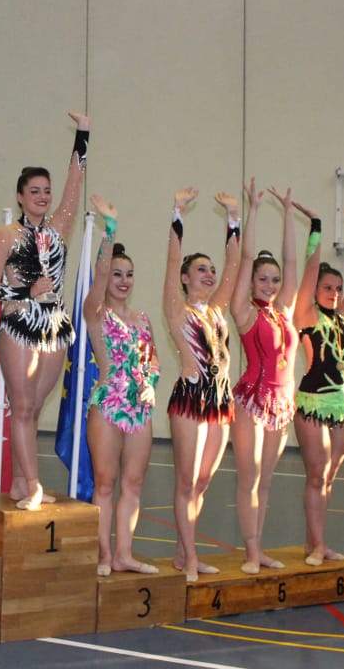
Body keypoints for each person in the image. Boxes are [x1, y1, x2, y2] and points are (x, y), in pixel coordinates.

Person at [0, 111, 90, 510]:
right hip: (19, 323)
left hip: (55, 327)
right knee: (23, 406)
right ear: (20, 196)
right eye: (34, 191)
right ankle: (33, 484)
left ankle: (18, 482)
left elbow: (75, 185)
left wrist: (83, 134)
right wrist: (26, 289)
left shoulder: (59, 228)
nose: (43, 197)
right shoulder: (6, 235)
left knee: (33, 407)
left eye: (46, 191)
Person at [228, 181, 317, 574]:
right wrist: (253, 209)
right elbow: (246, 257)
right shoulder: (244, 311)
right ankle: (250, 552)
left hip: (281, 406)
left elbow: (292, 263)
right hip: (251, 401)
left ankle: (258, 548)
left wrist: (287, 213)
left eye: (274, 280)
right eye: (262, 279)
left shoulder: (283, 310)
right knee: (248, 480)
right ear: (251, 282)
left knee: (265, 483)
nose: (270, 285)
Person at [163, 186, 241, 582]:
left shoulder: (217, 309)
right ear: (185, 278)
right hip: (190, 399)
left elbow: (234, 266)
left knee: (204, 481)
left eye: (210, 270)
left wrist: (233, 219)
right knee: (187, 480)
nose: (209, 275)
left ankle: (183, 552)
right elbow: (172, 261)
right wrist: (177, 214)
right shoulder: (177, 309)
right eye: (200, 270)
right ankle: (191, 557)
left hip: (220, 401)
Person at [84, 195, 160, 576]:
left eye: (129, 274)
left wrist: (152, 385)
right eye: (117, 274)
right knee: (105, 482)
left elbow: (153, 361)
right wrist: (109, 231)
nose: (123, 281)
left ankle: (124, 553)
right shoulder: (96, 313)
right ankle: (103, 554)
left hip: (139, 409)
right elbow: (98, 277)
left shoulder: (143, 318)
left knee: (133, 483)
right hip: (107, 404)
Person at [293, 210, 344, 566]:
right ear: (315, 290)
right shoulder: (306, 315)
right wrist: (316, 229)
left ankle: (314, 542)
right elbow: (310, 270)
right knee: (316, 475)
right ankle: (318, 546)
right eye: (327, 288)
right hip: (313, 403)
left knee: (328, 479)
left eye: (338, 289)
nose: (335, 294)